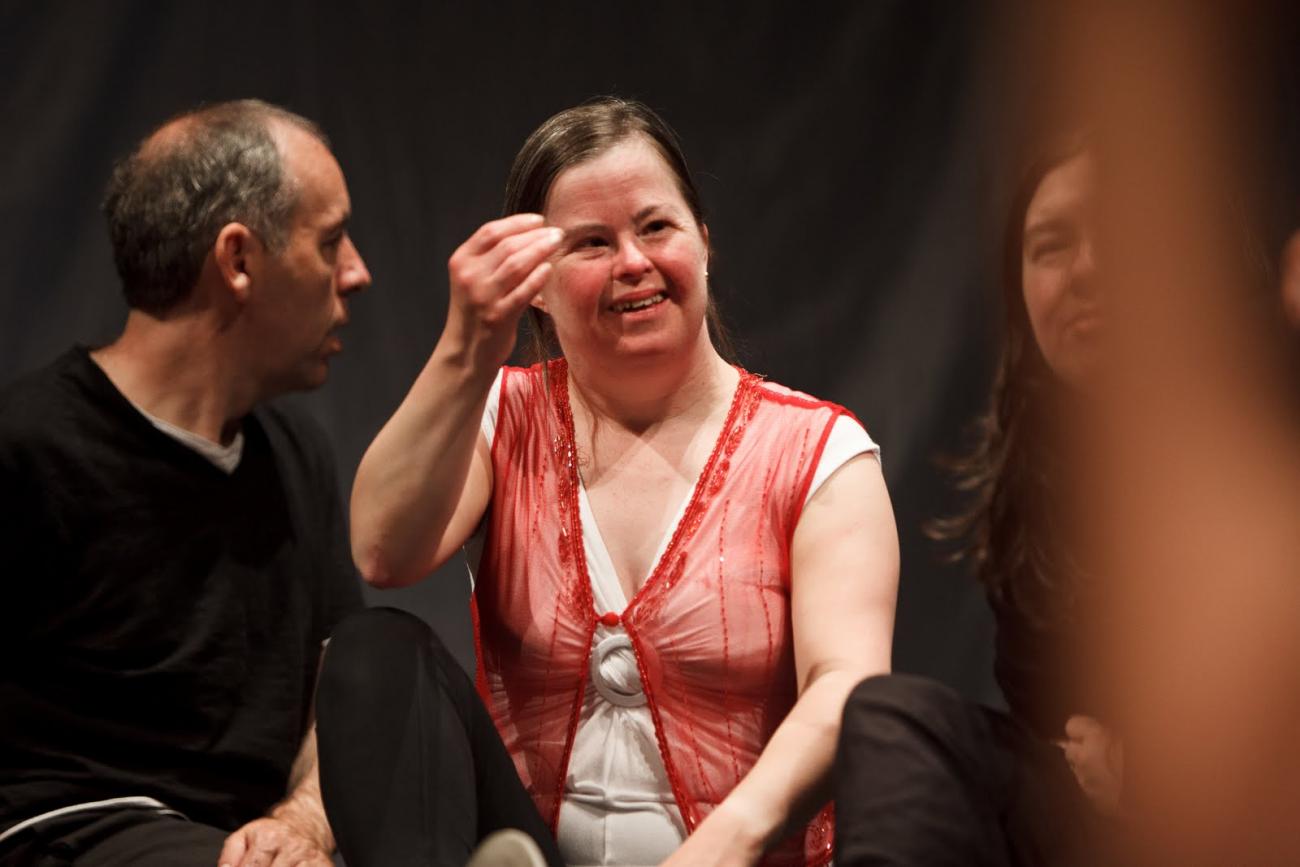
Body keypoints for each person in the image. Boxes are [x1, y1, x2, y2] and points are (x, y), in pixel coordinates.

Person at [322, 96, 899, 867]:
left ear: (703, 243)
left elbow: (846, 683)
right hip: (541, 850)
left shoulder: (819, 453)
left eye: (655, 227)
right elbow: (383, 551)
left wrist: (724, 845)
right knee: (373, 651)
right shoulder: (501, 416)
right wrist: (467, 347)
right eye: (591, 242)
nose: (632, 261)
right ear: (536, 283)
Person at [0, 99, 371, 866]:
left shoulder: (295, 455)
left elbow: (335, 695)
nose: (356, 273)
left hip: (242, 844)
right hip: (68, 829)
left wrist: (304, 819)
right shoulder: (27, 449)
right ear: (238, 260)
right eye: (331, 241)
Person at [832, 137, 1120, 866]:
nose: (1088, 269)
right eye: (1051, 246)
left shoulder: (1269, 434)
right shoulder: (1039, 479)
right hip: (1099, 821)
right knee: (894, 719)